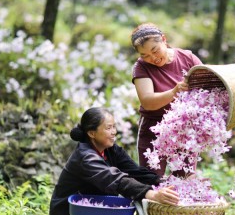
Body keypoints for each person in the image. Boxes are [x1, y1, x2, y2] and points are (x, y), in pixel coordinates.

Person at [49, 107, 179, 215]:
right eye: (108, 128)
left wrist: (165, 183)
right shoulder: (85, 157)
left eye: (114, 127)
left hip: (92, 208)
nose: (114, 132)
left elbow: (136, 172)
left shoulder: (111, 149)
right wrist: (152, 194)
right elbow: (115, 179)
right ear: (92, 133)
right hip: (68, 210)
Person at [131, 22, 203, 177]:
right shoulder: (141, 67)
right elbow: (147, 101)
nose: (152, 58)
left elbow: (208, 86)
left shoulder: (188, 58)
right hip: (153, 127)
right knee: (151, 179)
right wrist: (174, 91)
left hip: (184, 128)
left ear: (164, 39)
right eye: (145, 55)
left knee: (185, 178)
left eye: (155, 51)